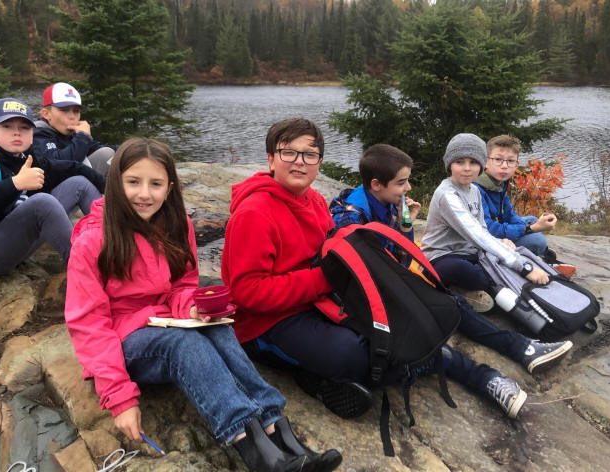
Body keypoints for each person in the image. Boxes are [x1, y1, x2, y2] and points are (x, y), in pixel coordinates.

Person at [222, 119, 530, 421]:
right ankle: (319, 378)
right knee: (353, 354)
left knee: (403, 317)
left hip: (324, 297)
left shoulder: (314, 201)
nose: (299, 162)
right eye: (288, 152)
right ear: (271, 159)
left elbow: (338, 252)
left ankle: (482, 376)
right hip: (272, 321)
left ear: (319, 162)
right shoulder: (255, 213)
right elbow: (247, 292)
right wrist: (325, 278)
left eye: (310, 155)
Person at [64, 137, 341, 472]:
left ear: (169, 188)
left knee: (218, 327)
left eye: (156, 184)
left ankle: (276, 427)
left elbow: (183, 285)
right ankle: (252, 448)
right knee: (182, 343)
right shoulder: (94, 239)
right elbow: (88, 323)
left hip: (165, 320)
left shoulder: (175, 225)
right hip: (124, 340)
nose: (144, 194)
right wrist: (119, 397)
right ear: (115, 182)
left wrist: (191, 309)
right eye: (133, 182)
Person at [330, 143, 572, 377]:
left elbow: (402, 250)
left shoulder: (388, 201)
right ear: (376, 185)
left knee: (457, 298)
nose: (408, 188)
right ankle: (520, 347)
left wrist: (406, 224)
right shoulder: (353, 220)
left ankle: (520, 334)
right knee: (453, 305)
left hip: (395, 273)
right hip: (376, 288)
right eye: (402, 182)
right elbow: (371, 268)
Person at [0, 97, 104, 277]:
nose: (16, 133)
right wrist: (15, 184)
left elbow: (71, 167)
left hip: (15, 239)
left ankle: (118, 246)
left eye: (24, 128)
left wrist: (109, 187)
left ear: (32, 134)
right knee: (43, 203)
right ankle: (93, 274)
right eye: (6, 126)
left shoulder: (23, 157)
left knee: (79, 183)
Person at [421, 133, 551, 312]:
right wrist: (524, 267)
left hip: (469, 252)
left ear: (481, 165)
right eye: (460, 162)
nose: (467, 168)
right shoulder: (447, 195)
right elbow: (476, 233)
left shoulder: (473, 190)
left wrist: (501, 245)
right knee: (466, 270)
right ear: (449, 164)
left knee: (498, 260)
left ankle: (473, 289)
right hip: (441, 256)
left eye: (473, 163)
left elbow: (482, 228)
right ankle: (465, 293)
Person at [474, 135, 575, 277]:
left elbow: (510, 215)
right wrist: (532, 229)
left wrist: (530, 225)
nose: (504, 165)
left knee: (532, 219)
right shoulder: (477, 188)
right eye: (498, 159)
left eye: (510, 161)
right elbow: (490, 229)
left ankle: (542, 255)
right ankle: (541, 261)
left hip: (497, 233)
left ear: (516, 164)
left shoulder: (500, 184)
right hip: (485, 240)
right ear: (486, 162)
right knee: (537, 240)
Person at [33, 82, 115, 175]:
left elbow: (97, 148)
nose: (72, 116)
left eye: (76, 111)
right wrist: (83, 137)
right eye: (64, 110)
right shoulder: (37, 134)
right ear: (46, 114)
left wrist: (129, 150)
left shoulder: (72, 134)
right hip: (53, 188)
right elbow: (60, 166)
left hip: (76, 186)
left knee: (107, 154)